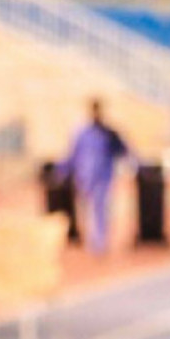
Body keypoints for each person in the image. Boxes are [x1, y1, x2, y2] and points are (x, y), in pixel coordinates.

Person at [57, 99, 130, 256]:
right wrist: (62, 170)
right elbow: (73, 154)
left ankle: (100, 243)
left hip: (103, 179)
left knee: (101, 210)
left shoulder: (108, 133)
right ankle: (92, 242)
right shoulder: (82, 133)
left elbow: (124, 151)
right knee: (86, 211)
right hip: (84, 179)